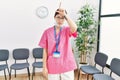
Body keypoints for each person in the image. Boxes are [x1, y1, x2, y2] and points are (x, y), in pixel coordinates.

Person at [38, 8, 77, 80]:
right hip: (53, 65)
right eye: (58, 17)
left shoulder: (67, 30)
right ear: (54, 17)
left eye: (63, 18)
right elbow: (45, 51)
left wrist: (65, 15)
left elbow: (74, 28)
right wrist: (44, 67)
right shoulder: (47, 32)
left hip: (67, 64)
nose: (60, 20)